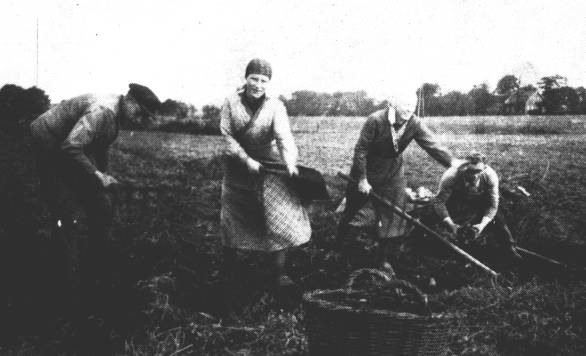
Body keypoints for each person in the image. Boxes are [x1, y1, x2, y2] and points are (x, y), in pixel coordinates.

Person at [29, 83, 161, 291]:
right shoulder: (102, 111)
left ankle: (95, 269)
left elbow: (99, 146)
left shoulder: (115, 116)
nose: (139, 120)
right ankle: (65, 282)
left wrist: (102, 177)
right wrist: (97, 175)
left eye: (145, 117)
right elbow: (71, 147)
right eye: (139, 112)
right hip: (47, 141)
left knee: (99, 204)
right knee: (65, 210)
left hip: (67, 145)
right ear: (130, 101)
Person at [336, 93, 455, 271]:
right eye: (405, 104)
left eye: (412, 105)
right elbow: (361, 150)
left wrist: (453, 164)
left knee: (394, 215)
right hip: (367, 168)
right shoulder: (375, 120)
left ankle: (382, 259)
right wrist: (362, 179)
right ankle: (339, 250)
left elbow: (433, 145)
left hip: (392, 171)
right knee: (353, 208)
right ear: (393, 104)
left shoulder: (414, 122)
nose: (409, 109)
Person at [220, 58, 311, 290]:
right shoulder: (230, 103)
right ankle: (232, 271)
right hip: (237, 169)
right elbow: (227, 137)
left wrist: (290, 163)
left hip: (269, 166)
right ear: (246, 78)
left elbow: (284, 137)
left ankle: (278, 273)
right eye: (254, 78)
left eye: (263, 80)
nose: (258, 84)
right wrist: (246, 160)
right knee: (236, 218)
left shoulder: (275, 106)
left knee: (277, 215)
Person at [433, 152, 522, 259]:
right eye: (470, 172)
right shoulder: (451, 175)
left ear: (484, 168)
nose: (474, 175)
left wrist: (482, 225)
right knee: (436, 215)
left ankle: (509, 248)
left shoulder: (490, 176)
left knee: (498, 217)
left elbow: (492, 205)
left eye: (478, 171)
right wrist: (450, 224)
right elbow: (439, 201)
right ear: (464, 168)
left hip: (479, 197)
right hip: (457, 197)